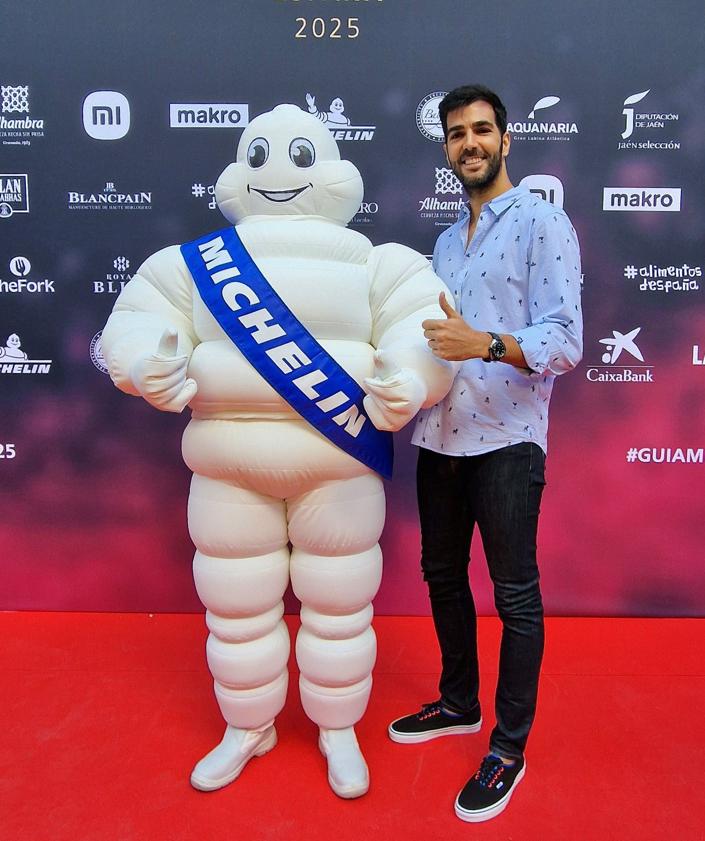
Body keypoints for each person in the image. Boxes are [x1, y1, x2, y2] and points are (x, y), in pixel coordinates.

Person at [387, 85, 583, 822]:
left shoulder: (542, 221)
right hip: (440, 435)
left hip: (507, 439)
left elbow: (564, 339)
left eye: (480, 130)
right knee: (440, 574)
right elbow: (431, 342)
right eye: (454, 134)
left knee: (514, 595)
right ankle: (460, 701)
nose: (467, 143)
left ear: (505, 139)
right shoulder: (443, 241)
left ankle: (506, 745)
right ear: (444, 148)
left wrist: (485, 343)